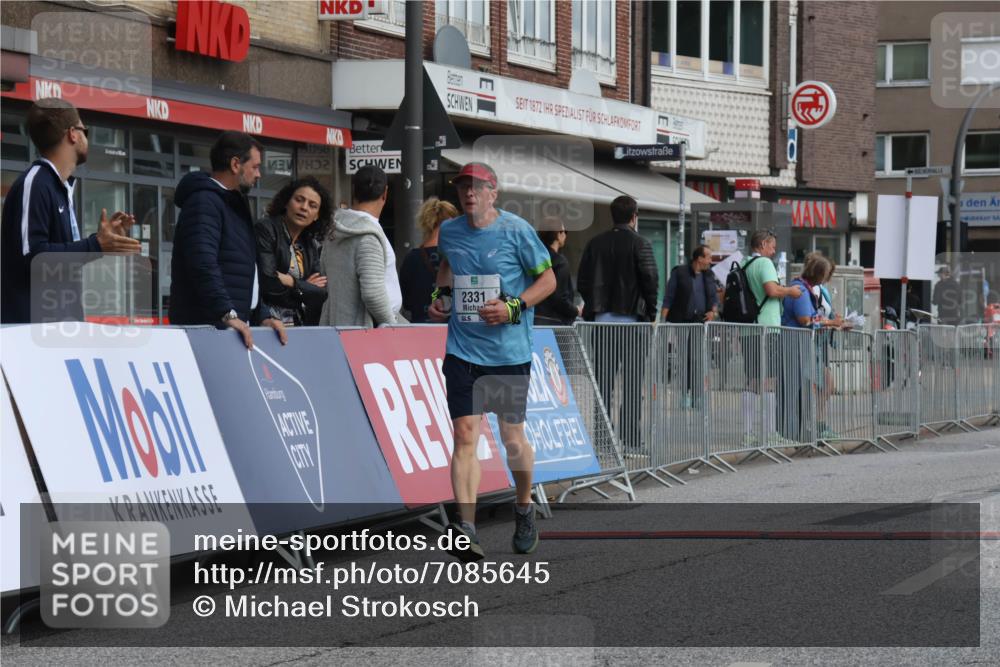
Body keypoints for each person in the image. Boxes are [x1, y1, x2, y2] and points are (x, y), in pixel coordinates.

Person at [427, 161, 556, 561]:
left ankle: (523, 506)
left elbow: (548, 280)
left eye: (477, 187)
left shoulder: (516, 230)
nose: (469, 193)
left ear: (492, 192)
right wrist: (439, 298)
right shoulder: (449, 231)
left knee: (511, 439)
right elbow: (446, 267)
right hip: (463, 350)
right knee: (465, 435)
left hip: (508, 353)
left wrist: (514, 306)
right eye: (463, 186)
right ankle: (466, 527)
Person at [1, 98, 140, 324]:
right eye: (85, 130)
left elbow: (60, 261)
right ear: (72, 134)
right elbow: (34, 257)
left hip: (59, 330)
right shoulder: (36, 183)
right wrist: (95, 244)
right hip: (32, 336)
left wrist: (99, 244)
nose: (86, 138)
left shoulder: (58, 187)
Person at [169, 130, 286, 349]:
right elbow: (202, 262)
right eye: (255, 166)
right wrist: (226, 313)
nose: (259, 174)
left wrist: (261, 314)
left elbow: (245, 271)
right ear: (235, 164)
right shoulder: (204, 202)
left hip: (229, 329)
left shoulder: (233, 204)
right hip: (209, 333)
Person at [739, 229, 802, 447]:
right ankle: (769, 432)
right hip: (767, 327)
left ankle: (747, 432)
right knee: (769, 381)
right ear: (763, 244)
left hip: (750, 329)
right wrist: (790, 291)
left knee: (752, 381)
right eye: (772, 246)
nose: (774, 251)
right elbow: (771, 290)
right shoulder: (764, 264)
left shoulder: (744, 263)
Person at [318, 164, 402, 327]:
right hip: (368, 332)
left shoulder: (334, 232)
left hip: (338, 326)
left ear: (353, 190)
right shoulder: (368, 235)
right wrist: (392, 325)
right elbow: (373, 294)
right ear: (385, 193)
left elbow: (325, 277)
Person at [256, 177, 331, 326]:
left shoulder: (310, 244)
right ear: (286, 202)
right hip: (267, 323)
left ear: (317, 215)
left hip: (298, 324)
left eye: (312, 205)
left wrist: (290, 280)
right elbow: (267, 284)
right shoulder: (266, 229)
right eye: (299, 200)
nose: (304, 207)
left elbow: (320, 293)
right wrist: (304, 287)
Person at [577, 195, 658, 323]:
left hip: (600, 316)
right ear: (634, 217)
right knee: (632, 344)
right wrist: (651, 312)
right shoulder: (641, 243)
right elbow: (650, 280)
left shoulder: (595, 243)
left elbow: (582, 281)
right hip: (632, 317)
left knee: (603, 344)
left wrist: (593, 303)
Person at [399, 197, 458, 323]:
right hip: (452, 330)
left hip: (420, 329)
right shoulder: (458, 256)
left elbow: (406, 303)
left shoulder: (412, 258)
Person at [534, 218, 580, 326]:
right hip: (555, 323)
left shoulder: (536, 258)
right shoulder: (560, 262)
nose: (565, 235)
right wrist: (575, 310)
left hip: (534, 319)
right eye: (565, 232)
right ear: (558, 235)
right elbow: (560, 298)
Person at [661, 244, 719, 324]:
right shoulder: (679, 272)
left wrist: (713, 312)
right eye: (709, 258)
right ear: (700, 259)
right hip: (680, 323)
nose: (710, 261)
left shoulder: (709, 275)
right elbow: (668, 297)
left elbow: (714, 298)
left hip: (701, 322)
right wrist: (663, 320)